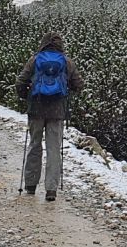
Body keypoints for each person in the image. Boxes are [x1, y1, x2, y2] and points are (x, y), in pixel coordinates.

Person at [12, 33, 84, 200]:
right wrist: (67, 89)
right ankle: (51, 189)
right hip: (57, 110)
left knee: (34, 145)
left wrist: (26, 96)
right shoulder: (66, 62)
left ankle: (30, 185)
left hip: (36, 108)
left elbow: (20, 81)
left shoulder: (35, 59)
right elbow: (79, 84)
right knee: (54, 149)